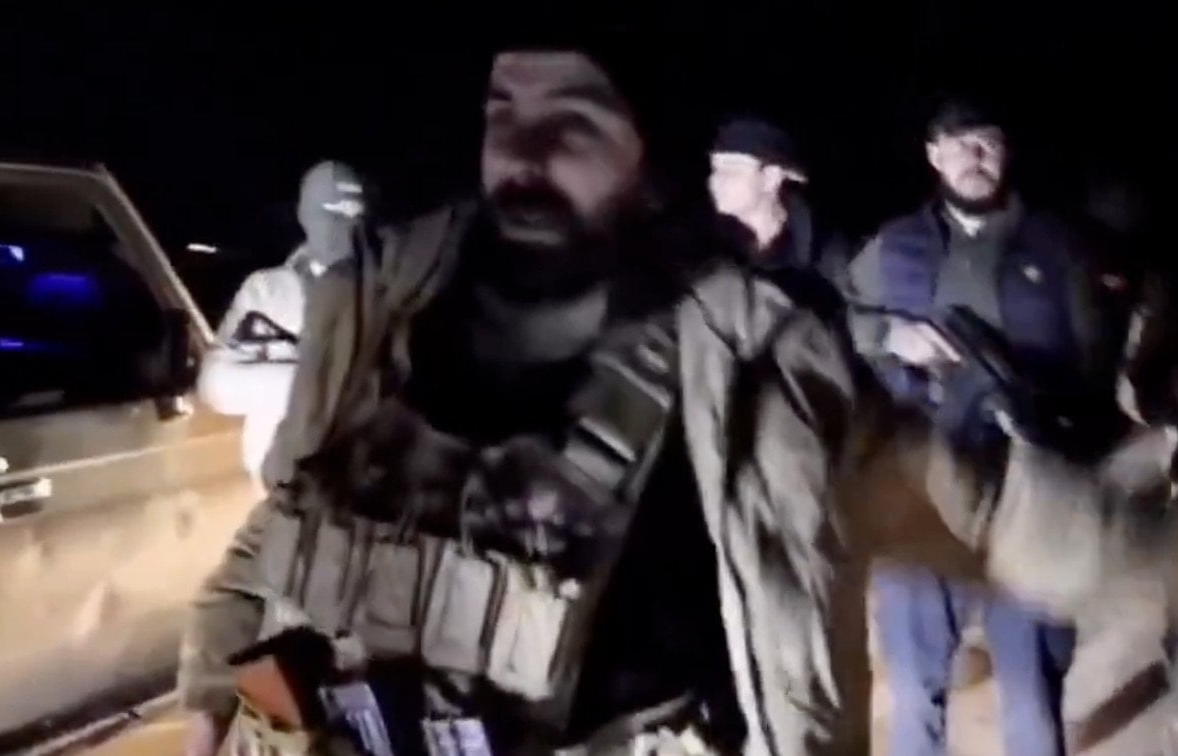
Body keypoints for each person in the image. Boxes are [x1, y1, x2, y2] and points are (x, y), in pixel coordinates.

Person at [178, 39, 1174, 756]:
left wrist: (1154, 564)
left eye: (570, 120)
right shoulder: (398, 300)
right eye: (503, 113)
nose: (524, 151)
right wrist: (215, 682)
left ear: (636, 148)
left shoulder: (744, 349)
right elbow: (287, 524)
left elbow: (985, 511)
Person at [848, 97, 1134, 755]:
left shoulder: (1061, 246)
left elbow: (1099, 366)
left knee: (1032, 686)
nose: (973, 157)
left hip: (1030, 493)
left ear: (1006, 153)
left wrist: (1048, 417)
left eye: (987, 143)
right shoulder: (895, 245)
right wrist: (894, 337)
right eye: (958, 144)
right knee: (915, 684)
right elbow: (849, 321)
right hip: (923, 489)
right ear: (933, 155)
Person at [197, 160, 367, 483]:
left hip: (359, 483)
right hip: (283, 483)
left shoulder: (387, 290)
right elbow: (215, 384)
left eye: (353, 216)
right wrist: (309, 382)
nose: (341, 229)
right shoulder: (270, 291)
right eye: (329, 214)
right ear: (305, 215)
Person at [707, 116, 850, 315]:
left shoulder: (825, 252)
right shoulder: (704, 244)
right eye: (715, 169)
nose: (716, 181)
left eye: (731, 171)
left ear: (770, 178)